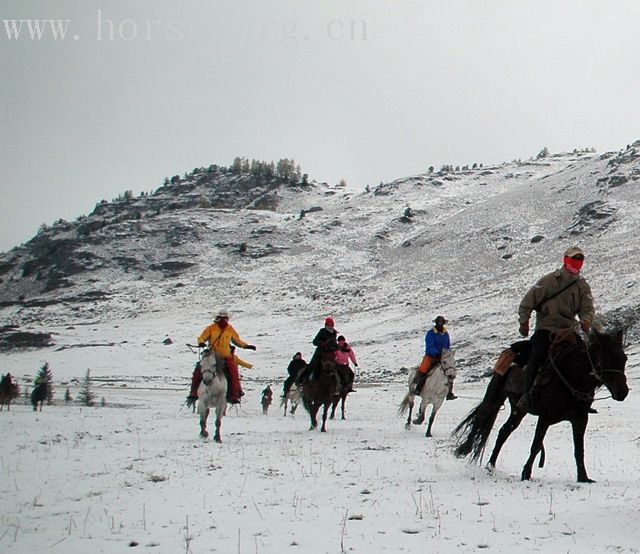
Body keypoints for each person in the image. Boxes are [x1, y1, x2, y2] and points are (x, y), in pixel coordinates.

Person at [517, 246, 595, 412]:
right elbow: (527, 302)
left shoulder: (582, 286)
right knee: (537, 356)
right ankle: (526, 395)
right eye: (574, 259)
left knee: (586, 358)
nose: (577, 263)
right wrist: (524, 322)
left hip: (568, 331)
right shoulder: (548, 281)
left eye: (580, 260)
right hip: (547, 328)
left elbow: (587, 308)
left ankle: (584, 397)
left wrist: (586, 320)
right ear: (565, 259)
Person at [196, 310, 257, 404]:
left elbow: (237, 340)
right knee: (199, 369)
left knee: (234, 373)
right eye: (221, 318)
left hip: (226, 357)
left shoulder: (229, 329)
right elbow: (202, 337)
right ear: (217, 318)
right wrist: (201, 342)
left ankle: (234, 394)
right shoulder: (211, 328)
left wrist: (246, 346)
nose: (223, 320)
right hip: (213, 356)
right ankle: (193, 393)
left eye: (225, 318)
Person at [413, 315, 456, 399]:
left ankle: (449, 392)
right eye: (438, 323)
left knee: (450, 371)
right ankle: (418, 388)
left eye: (441, 323)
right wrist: (436, 353)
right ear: (436, 323)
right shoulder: (431, 333)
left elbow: (447, 345)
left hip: (443, 357)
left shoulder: (446, 334)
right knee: (424, 369)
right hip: (431, 356)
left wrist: (446, 353)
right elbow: (429, 345)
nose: (440, 324)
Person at [298, 317, 339, 383]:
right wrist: (322, 343)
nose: (331, 327)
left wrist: (336, 347)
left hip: (331, 354)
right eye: (329, 325)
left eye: (332, 325)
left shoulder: (334, 333)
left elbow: (334, 343)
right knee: (313, 365)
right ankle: (305, 380)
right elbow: (315, 342)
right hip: (320, 353)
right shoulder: (322, 331)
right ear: (326, 325)